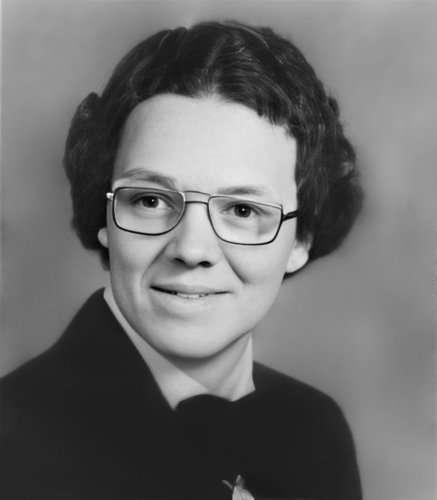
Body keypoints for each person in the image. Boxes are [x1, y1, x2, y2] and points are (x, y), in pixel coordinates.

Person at [0, 21, 363, 499]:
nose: (191, 250)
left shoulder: (316, 431)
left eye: (242, 210)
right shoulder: (11, 446)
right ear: (104, 217)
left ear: (301, 239)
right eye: (150, 200)